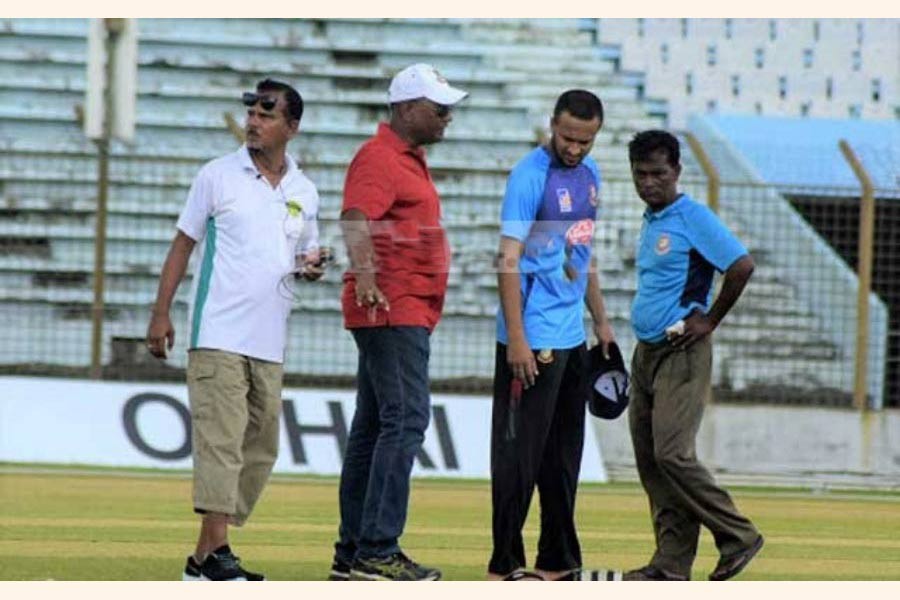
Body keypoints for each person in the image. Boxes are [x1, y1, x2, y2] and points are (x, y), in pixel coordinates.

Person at [146, 79, 325, 581]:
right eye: (251, 113)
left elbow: (306, 254)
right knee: (222, 444)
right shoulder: (217, 175)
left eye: (267, 115)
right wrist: (162, 312)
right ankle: (219, 552)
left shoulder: (304, 191)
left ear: (292, 126)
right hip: (218, 332)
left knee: (260, 448)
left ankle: (202, 560)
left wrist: (313, 266)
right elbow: (183, 244)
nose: (253, 122)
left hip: (270, 339)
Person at [328, 64, 467, 581]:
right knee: (404, 421)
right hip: (391, 306)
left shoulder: (406, 158)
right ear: (408, 108)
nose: (448, 117)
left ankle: (354, 553)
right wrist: (366, 276)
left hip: (399, 308)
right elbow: (355, 216)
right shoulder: (381, 157)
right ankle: (376, 551)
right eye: (439, 108)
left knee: (373, 428)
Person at [623, 130, 763, 581]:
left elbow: (741, 265)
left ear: (678, 172)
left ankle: (739, 535)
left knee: (672, 453)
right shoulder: (652, 217)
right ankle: (670, 565)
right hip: (646, 351)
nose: (649, 182)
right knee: (651, 463)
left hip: (682, 348)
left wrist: (710, 320)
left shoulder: (692, 216)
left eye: (658, 174)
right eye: (641, 174)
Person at [488, 89, 616, 581]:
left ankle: (557, 563)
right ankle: (504, 566)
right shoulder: (529, 176)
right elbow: (508, 257)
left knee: (564, 457)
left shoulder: (591, 176)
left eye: (586, 140)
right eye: (568, 138)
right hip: (532, 335)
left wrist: (600, 320)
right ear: (552, 125)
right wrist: (516, 338)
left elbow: (580, 254)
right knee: (519, 456)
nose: (575, 148)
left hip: (571, 336)